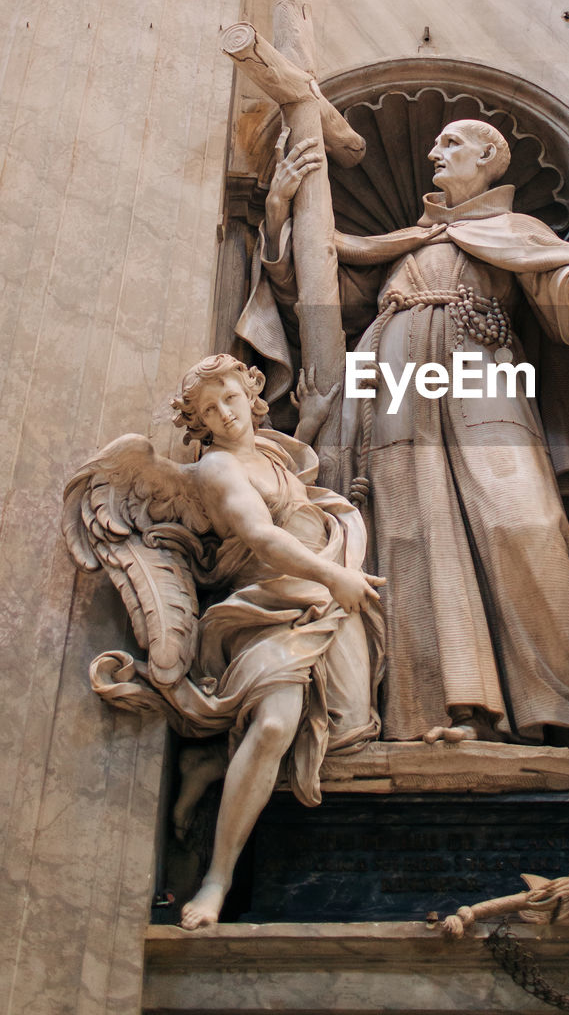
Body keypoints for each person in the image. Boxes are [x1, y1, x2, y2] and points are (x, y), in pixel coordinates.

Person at [237, 121, 569, 757]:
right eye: (433, 142)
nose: (433, 150)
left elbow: (552, 281)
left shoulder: (514, 232)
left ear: (490, 156)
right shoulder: (402, 245)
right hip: (388, 390)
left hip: (481, 375)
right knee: (411, 539)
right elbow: (319, 300)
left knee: (525, 526)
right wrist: (275, 214)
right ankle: (447, 708)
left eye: (452, 142)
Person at [66, 354, 384, 929]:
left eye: (232, 398)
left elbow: (295, 499)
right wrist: (334, 574)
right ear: (200, 423)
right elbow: (261, 536)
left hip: (323, 597)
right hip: (264, 609)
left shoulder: (272, 452)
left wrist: (314, 420)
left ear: (252, 394)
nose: (225, 414)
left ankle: (215, 759)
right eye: (210, 410)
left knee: (348, 728)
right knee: (275, 726)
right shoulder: (215, 470)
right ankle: (217, 880)